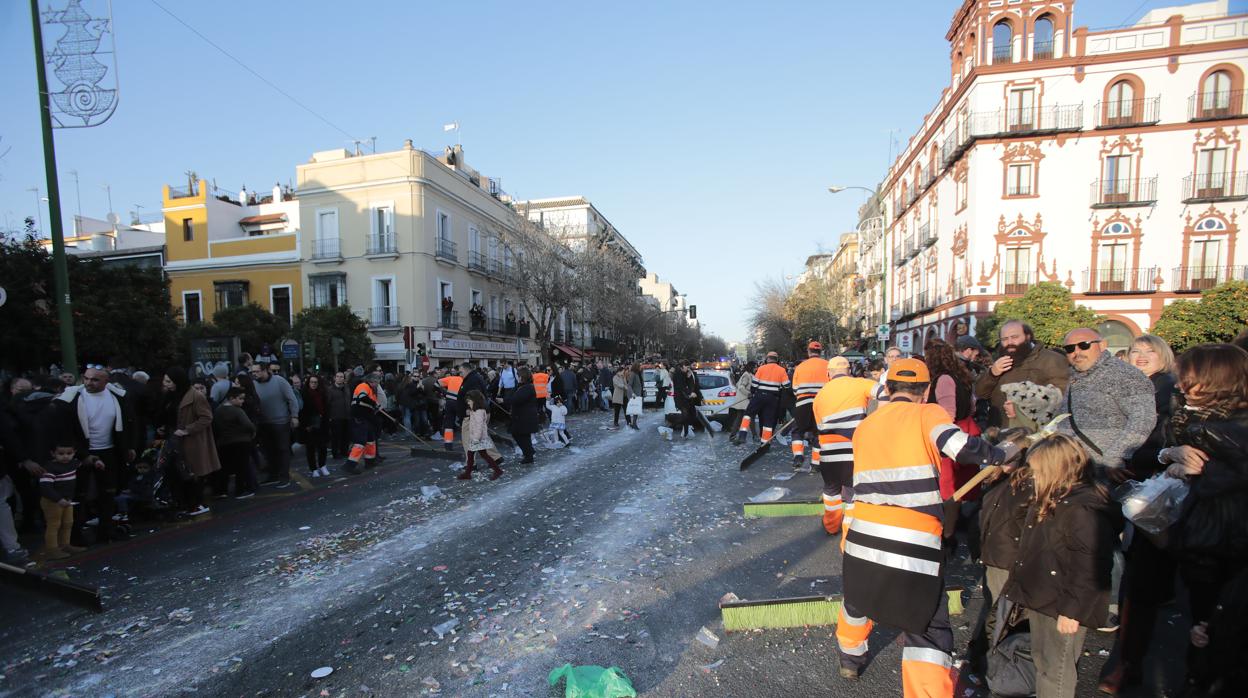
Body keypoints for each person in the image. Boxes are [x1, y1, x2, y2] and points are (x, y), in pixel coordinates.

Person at [836, 358, 1017, 694]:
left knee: (858, 598)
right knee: (927, 624)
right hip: (913, 540)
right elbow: (961, 447)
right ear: (927, 390)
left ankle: (850, 659)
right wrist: (1000, 454)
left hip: (863, 534)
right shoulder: (929, 414)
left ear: (887, 389)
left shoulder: (867, 425)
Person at [1157, 343, 1248, 695]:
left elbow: (1232, 479)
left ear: (1216, 380)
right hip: (1203, 538)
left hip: (1227, 544)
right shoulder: (1197, 417)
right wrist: (1172, 455)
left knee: (1217, 632)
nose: (1180, 385)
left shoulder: (1231, 427)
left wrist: (1192, 471)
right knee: (1200, 627)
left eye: (1189, 379)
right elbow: (1169, 445)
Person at [1003, 434, 1117, 698]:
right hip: (1046, 595)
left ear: (1056, 470)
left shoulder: (1082, 510)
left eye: (1038, 470)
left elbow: (1090, 566)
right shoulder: (1057, 497)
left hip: (1062, 603)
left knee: (1057, 670)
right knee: (1043, 661)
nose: (1033, 476)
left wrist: (1072, 611)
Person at [1098, 333, 1181, 694]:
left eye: (1150, 351)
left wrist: (1131, 460)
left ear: (1164, 356)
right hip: (1128, 483)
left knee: (1142, 577)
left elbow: (1165, 443)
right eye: (1136, 351)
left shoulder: (1169, 392)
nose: (1142, 356)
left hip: (1153, 491)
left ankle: (1128, 663)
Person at [1053, 327, 1155, 473]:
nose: (1077, 352)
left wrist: (1115, 457)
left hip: (1104, 469)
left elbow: (1143, 420)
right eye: (1070, 348)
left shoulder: (1125, 375)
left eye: (1084, 345)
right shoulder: (1076, 376)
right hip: (1073, 467)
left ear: (1102, 345)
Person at [53, 365, 136, 543]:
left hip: (109, 451)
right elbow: (66, 430)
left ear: (106, 381)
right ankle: (74, 537)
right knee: (78, 494)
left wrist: (129, 447)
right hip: (80, 454)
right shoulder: (72, 398)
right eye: (87, 378)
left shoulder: (117, 397)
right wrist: (83, 455)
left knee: (108, 493)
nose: (89, 382)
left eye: (95, 379)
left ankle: (106, 532)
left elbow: (128, 423)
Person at [811, 356, 879, 538]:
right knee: (853, 494)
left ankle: (831, 525)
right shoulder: (860, 384)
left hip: (829, 456)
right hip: (854, 453)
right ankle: (850, 531)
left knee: (831, 490)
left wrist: (815, 462)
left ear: (829, 374)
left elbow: (820, 431)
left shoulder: (820, 396)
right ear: (849, 371)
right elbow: (885, 392)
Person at [974, 320, 1069, 429]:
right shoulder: (1001, 360)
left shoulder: (1051, 360)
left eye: (1014, 337)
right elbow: (980, 393)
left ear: (1028, 337)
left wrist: (1021, 408)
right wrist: (992, 374)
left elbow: (1061, 397)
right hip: (1000, 432)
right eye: (1004, 339)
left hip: (1034, 434)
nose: (1009, 342)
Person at [162, 367, 220, 516]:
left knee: (193, 473)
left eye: (169, 381)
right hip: (174, 440)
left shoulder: (195, 396)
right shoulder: (170, 396)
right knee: (178, 472)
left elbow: (206, 418)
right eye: (165, 380)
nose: (166, 384)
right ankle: (184, 503)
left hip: (191, 441)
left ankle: (196, 503)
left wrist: (188, 429)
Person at [249, 363, 298, 488]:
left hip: (280, 422)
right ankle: (273, 475)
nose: (254, 374)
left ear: (265, 370)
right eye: (253, 372)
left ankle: (284, 477)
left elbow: (292, 398)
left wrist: (294, 416)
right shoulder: (253, 384)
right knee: (268, 451)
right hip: (263, 423)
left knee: (282, 449)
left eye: (257, 371)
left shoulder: (279, 381)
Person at [38, 442, 86, 559]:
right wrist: (58, 499)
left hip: (67, 500)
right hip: (52, 501)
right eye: (61, 453)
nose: (65, 456)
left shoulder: (73, 463)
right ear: (53, 454)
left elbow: (83, 463)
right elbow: (45, 488)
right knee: (54, 524)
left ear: (74, 453)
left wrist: (96, 461)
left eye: (69, 453)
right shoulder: (49, 468)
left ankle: (65, 545)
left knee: (67, 523)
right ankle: (52, 549)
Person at [790, 341, 829, 471]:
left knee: (797, 431)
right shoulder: (828, 366)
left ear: (808, 351)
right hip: (822, 404)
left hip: (803, 403)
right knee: (819, 433)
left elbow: (795, 389)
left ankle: (798, 456)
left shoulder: (800, 367)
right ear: (821, 352)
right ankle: (816, 463)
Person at [213, 387, 257, 499]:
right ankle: (240, 491)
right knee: (241, 467)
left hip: (223, 443)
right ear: (231, 398)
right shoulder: (237, 411)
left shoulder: (218, 410)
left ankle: (222, 491)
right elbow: (248, 425)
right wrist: (253, 432)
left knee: (224, 468)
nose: (242, 401)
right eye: (240, 399)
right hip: (241, 442)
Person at [738, 351, 790, 443]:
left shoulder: (761, 368)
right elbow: (786, 386)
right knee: (768, 421)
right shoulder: (782, 370)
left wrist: (752, 393)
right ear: (777, 360)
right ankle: (765, 442)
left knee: (748, 414)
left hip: (759, 395)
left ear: (767, 359)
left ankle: (742, 435)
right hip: (773, 398)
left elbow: (754, 384)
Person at [458, 390, 504, 481]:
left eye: (469, 401)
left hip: (478, 438)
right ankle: (468, 473)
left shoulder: (478, 412)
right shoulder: (475, 410)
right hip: (476, 437)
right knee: (473, 455)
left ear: (475, 401)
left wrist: (476, 438)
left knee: (482, 455)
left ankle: (497, 471)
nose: (468, 403)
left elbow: (479, 426)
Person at [345, 369, 382, 474]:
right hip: (359, 416)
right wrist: (374, 404)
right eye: (377, 383)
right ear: (372, 381)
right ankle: (350, 465)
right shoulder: (363, 386)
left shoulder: (371, 389)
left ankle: (370, 461)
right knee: (360, 442)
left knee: (371, 440)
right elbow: (362, 397)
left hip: (367, 417)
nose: (377, 385)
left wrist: (376, 407)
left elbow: (372, 403)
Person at [505, 367, 539, 464]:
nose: (517, 377)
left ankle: (529, 454)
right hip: (521, 416)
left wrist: (504, 400)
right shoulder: (521, 386)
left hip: (525, 417)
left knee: (519, 434)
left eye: (519, 375)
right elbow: (512, 396)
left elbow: (516, 399)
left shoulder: (528, 387)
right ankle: (529, 454)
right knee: (522, 435)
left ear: (523, 376)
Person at [300, 375, 331, 478]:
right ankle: (313, 469)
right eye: (311, 382)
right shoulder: (304, 394)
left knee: (322, 446)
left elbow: (326, 408)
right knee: (311, 448)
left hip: (322, 423)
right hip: (310, 424)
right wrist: (306, 425)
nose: (313, 384)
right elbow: (302, 411)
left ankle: (322, 465)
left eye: (315, 382)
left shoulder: (323, 393)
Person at [728, 362, 755, 444]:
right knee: (750, 418)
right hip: (744, 401)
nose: (755, 368)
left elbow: (736, 384)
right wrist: (748, 394)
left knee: (740, 419)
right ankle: (754, 435)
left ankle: (733, 435)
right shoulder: (746, 375)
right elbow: (740, 387)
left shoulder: (747, 374)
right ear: (751, 367)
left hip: (743, 401)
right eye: (754, 367)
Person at [439, 367, 464, 451]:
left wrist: (444, 393)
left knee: (448, 424)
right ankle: (467, 443)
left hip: (449, 403)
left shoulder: (450, 379)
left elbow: (436, 384)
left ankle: (448, 445)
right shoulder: (464, 380)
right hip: (459, 403)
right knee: (464, 423)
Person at [328, 372, 351, 457]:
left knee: (346, 436)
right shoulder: (330, 389)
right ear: (335, 378)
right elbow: (327, 403)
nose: (339, 378)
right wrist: (329, 416)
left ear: (344, 379)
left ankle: (344, 451)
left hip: (347, 416)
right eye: (338, 376)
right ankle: (335, 452)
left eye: (341, 377)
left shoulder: (347, 388)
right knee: (336, 436)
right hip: (335, 417)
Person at [609, 366, 630, 431]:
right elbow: (619, 384)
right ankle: (615, 422)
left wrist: (626, 386)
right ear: (619, 371)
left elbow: (626, 384)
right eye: (622, 371)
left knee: (626, 409)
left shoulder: (623, 377)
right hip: (618, 396)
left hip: (624, 395)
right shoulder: (615, 377)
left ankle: (628, 421)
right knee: (617, 410)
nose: (623, 373)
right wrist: (624, 386)